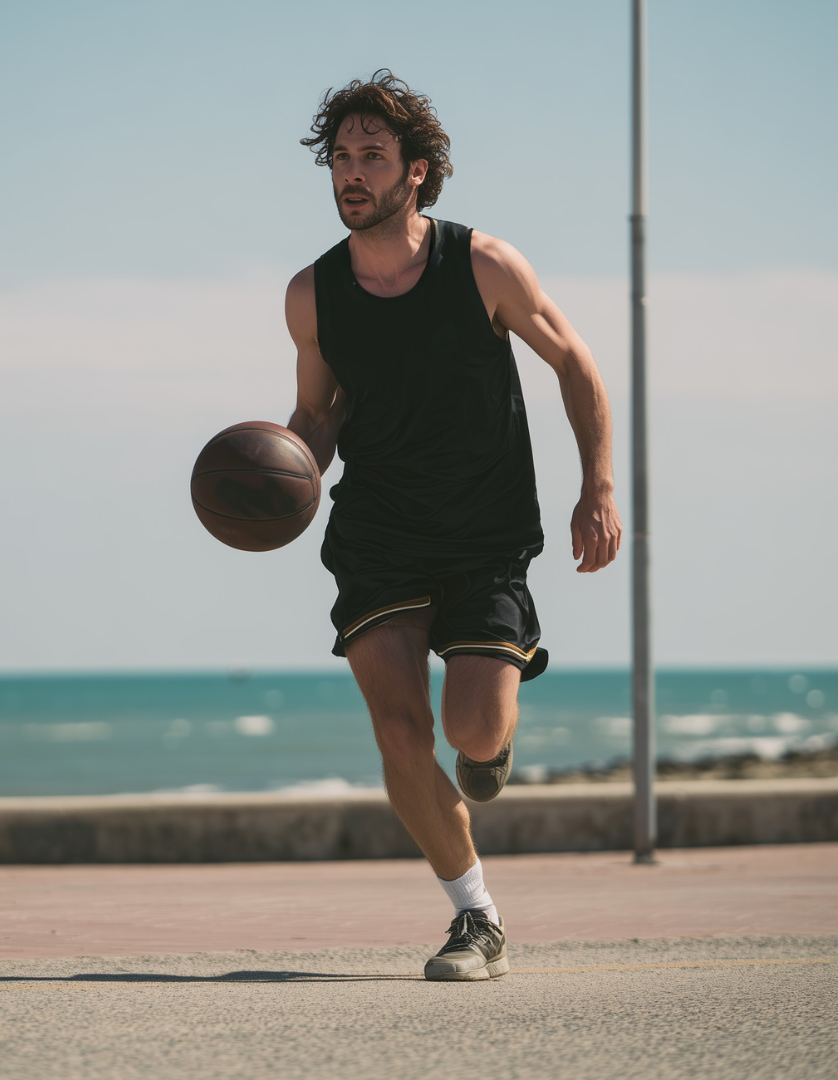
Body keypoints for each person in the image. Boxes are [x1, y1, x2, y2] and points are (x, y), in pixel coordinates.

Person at [286, 71, 623, 981]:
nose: (351, 173)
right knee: (400, 730)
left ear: (417, 173)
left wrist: (597, 484)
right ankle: (476, 920)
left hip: (484, 535)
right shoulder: (312, 294)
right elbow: (316, 413)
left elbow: (575, 361)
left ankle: (493, 737)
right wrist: (286, 471)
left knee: (471, 733)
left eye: (372, 156)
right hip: (379, 533)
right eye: (341, 158)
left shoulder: (482, 265)